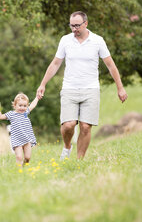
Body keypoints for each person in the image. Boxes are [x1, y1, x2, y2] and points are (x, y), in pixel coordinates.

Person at [37, 11, 128, 160]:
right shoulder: (65, 40)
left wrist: (120, 87)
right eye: (71, 26)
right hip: (69, 88)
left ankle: (79, 162)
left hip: (91, 89)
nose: (74, 29)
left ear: (86, 24)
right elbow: (55, 63)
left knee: (85, 127)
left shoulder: (98, 41)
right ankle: (67, 147)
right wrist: (43, 84)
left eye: (77, 25)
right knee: (68, 125)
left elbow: (110, 65)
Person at [0, 93, 40, 166]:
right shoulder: (11, 114)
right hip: (17, 140)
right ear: (15, 105)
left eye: (25, 106)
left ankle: (23, 168)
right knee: (19, 157)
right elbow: (0, 117)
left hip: (27, 139)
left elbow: (32, 105)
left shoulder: (25, 113)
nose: (22, 108)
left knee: (27, 158)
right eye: (20, 105)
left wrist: (37, 98)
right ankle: (18, 171)